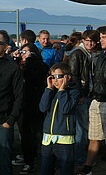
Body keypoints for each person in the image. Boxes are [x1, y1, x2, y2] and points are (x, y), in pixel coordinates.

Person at [77, 26, 106, 175]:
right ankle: (87, 168)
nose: (99, 40)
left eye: (103, 37)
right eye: (100, 37)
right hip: (96, 100)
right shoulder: (101, 56)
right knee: (94, 136)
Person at [12, 43, 48, 174]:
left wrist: (30, 61)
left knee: (36, 134)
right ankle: (29, 160)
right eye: (23, 52)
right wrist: (16, 61)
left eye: (29, 53)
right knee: (25, 135)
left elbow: (36, 78)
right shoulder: (16, 66)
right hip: (21, 106)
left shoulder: (39, 66)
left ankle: (38, 159)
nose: (25, 55)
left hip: (35, 104)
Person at [66, 30, 100, 166]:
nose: (90, 43)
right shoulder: (77, 54)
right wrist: (78, 94)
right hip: (82, 96)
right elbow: (73, 76)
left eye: (92, 41)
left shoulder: (88, 53)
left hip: (88, 94)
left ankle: (82, 157)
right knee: (82, 128)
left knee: (84, 128)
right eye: (87, 40)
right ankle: (80, 158)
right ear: (82, 40)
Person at [39, 62, 80, 175]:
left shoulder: (73, 91)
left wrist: (62, 90)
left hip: (64, 140)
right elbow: (42, 108)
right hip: (48, 139)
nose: (55, 80)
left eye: (58, 77)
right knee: (45, 170)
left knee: (65, 170)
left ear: (67, 77)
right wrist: (48, 89)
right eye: (52, 77)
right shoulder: (51, 91)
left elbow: (66, 108)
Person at [0, 34, 24, 175]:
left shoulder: (12, 68)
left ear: (5, 47)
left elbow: (19, 96)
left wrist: (10, 120)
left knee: (4, 159)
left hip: (4, 121)